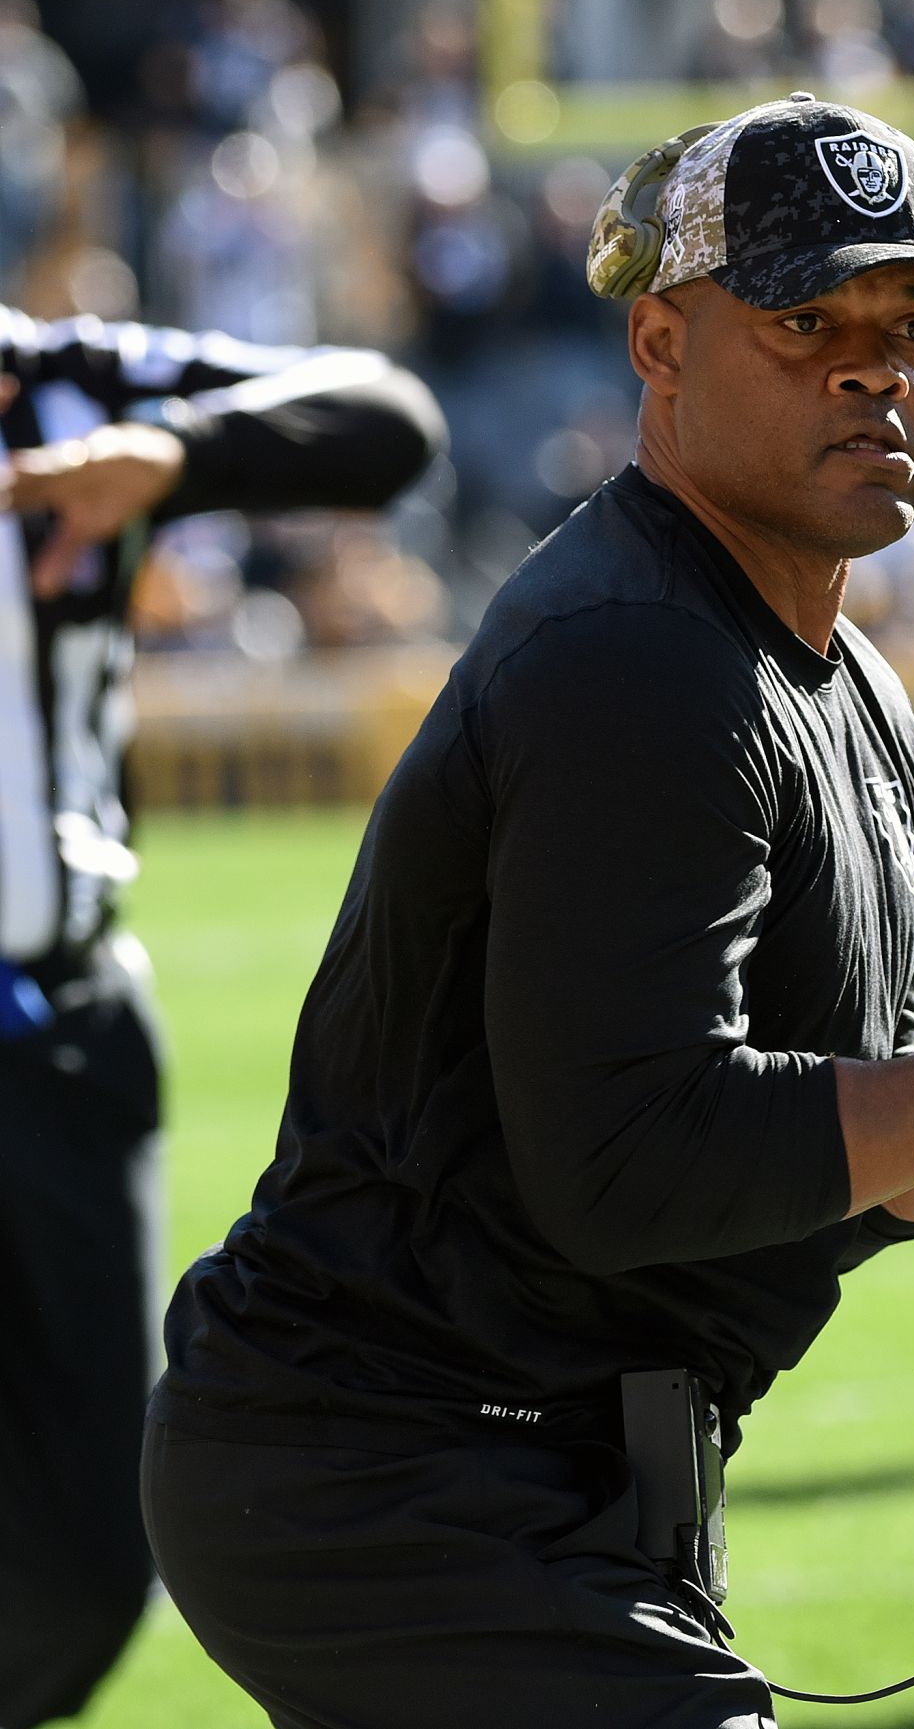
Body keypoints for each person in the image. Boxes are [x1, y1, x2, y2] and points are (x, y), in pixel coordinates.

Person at [139, 94, 914, 1728]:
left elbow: (831, 1195)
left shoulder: (845, 690)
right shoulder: (641, 663)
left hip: (516, 1471)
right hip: (394, 1468)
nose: (876, 366)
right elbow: (634, 1164)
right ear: (660, 342)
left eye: (912, 325)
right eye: (803, 320)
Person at [0, 308, 442, 1726]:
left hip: (51, 1027)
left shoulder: (62, 382)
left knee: (77, 1560)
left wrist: (169, 456)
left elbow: (386, 414)